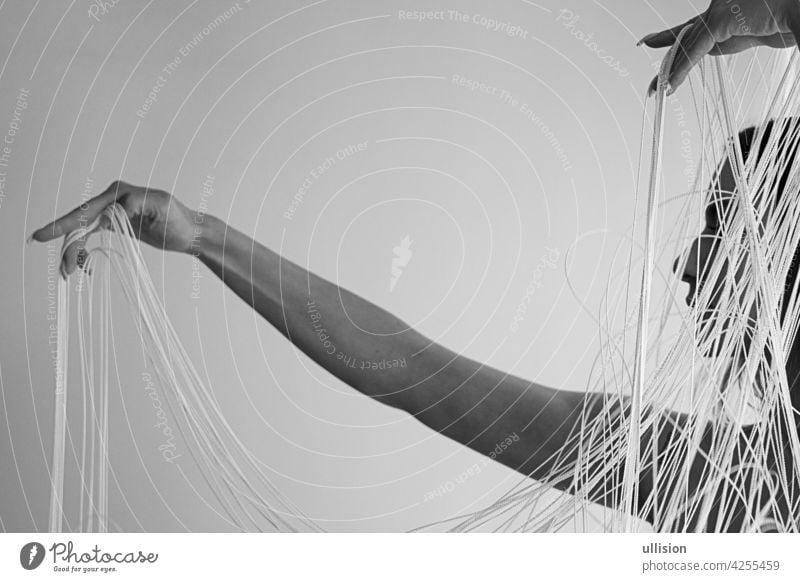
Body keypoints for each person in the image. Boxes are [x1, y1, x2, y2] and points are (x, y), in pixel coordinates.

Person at [29, 0, 800, 531]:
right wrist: (203, 236)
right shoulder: (731, 483)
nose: (686, 262)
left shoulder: (740, 492)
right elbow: (411, 370)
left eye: (721, 225)